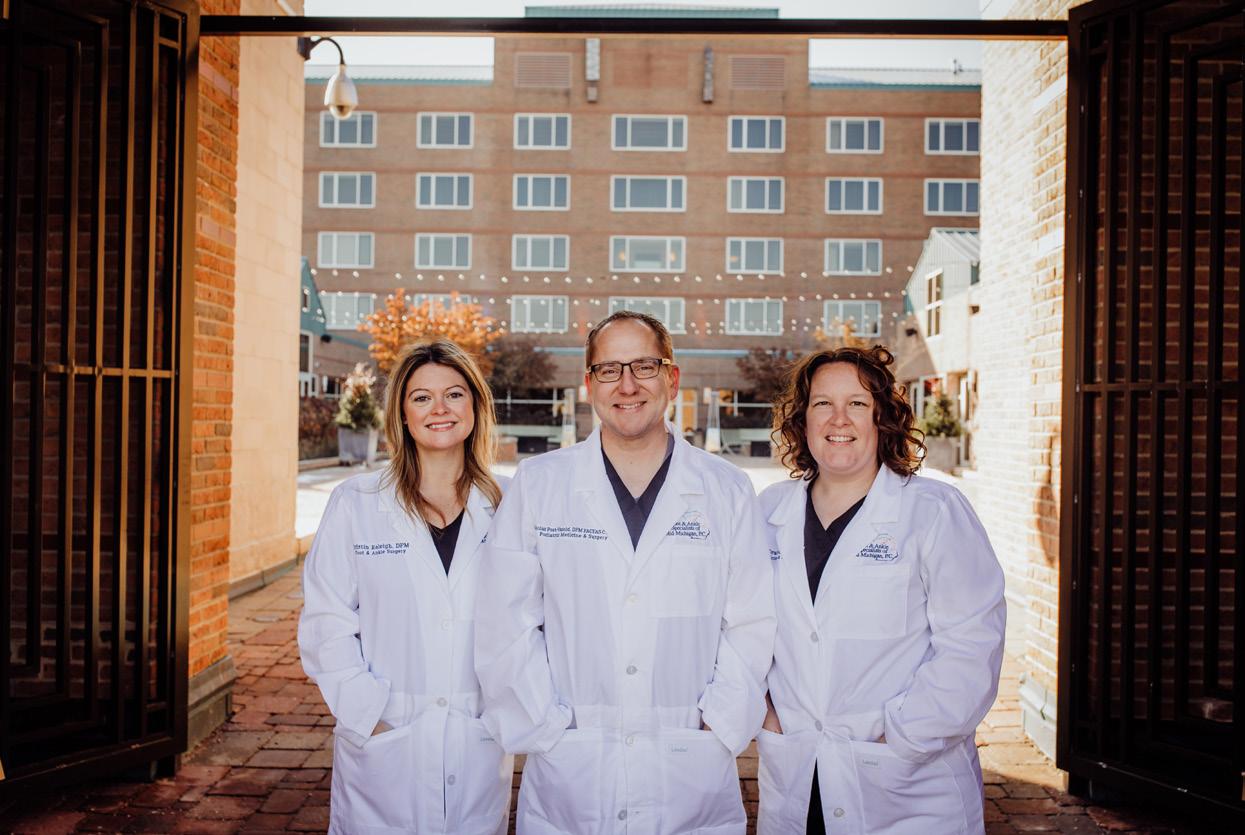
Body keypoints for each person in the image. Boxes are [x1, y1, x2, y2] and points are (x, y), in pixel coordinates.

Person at [474, 311, 775, 835]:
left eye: (644, 366)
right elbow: (505, 621)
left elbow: (751, 622)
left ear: (672, 378)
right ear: (589, 384)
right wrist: (546, 723)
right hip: (572, 762)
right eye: (609, 369)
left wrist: (720, 721)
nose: (628, 384)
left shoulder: (725, 489)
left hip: (689, 763)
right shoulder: (541, 484)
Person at [756, 346, 1005, 835]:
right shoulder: (769, 511)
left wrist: (902, 735)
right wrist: (765, 716)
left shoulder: (934, 511)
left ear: (883, 417)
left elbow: (973, 647)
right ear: (803, 419)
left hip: (905, 782)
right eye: (823, 403)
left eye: (857, 403)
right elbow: (743, 626)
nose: (839, 419)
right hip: (797, 773)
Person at [299, 339, 513, 835]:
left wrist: (508, 712)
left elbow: (534, 619)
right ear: (402, 413)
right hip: (386, 741)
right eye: (421, 397)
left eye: (454, 394)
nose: (440, 409)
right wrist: (369, 713)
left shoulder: (511, 503)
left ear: (476, 407)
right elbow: (326, 623)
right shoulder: (356, 503)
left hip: (477, 739)